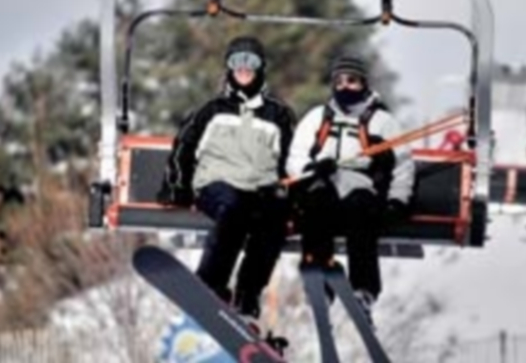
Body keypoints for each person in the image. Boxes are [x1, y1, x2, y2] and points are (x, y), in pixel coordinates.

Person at [155, 36, 296, 331]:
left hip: (260, 188)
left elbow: (290, 161)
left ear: (261, 68)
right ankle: (210, 284)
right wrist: (177, 186)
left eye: (251, 62)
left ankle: (247, 297)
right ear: (228, 68)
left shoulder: (278, 115)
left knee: (273, 221)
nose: (244, 69)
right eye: (237, 62)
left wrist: (289, 199)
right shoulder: (212, 109)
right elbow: (184, 146)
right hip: (215, 185)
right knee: (234, 206)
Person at [286, 55, 415, 325]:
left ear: (364, 84)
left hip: (360, 188)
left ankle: (363, 289)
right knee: (314, 205)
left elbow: (402, 165)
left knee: (361, 211)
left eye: (352, 81)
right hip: (324, 184)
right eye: (340, 81)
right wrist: (312, 169)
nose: (345, 87)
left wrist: (397, 201)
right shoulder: (317, 118)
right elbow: (295, 157)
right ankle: (320, 279)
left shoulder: (381, 121)